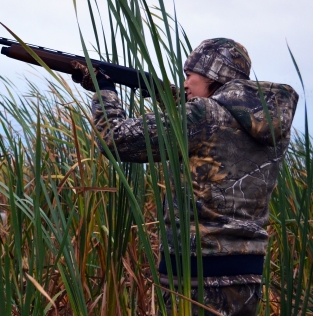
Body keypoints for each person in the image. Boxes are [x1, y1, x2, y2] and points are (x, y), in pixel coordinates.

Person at [71, 39, 299, 316]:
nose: (186, 84)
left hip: (195, 275)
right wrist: (169, 100)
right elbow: (217, 130)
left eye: (190, 76)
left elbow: (116, 140)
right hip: (247, 272)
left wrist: (103, 90)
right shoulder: (271, 125)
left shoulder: (203, 114)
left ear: (214, 76)